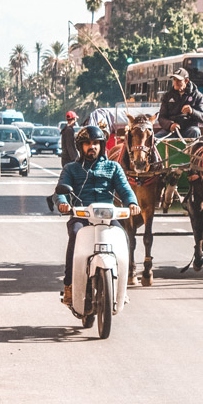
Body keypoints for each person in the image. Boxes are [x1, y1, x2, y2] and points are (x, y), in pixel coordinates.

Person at [54, 124, 139, 308]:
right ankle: (69, 285)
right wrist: (63, 203)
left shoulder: (113, 167)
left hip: (107, 218)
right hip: (81, 217)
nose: (92, 147)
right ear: (80, 147)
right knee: (75, 236)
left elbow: (125, 189)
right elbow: (60, 191)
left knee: (123, 238)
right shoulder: (71, 168)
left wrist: (132, 203)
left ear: (101, 145)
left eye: (95, 143)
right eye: (87, 143)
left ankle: (121, 288)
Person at [157, 68, 203, 138]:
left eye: (179, 80)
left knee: (195, 131)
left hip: (189, 129)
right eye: (174, 79)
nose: (175, 82)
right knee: (155, 139)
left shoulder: (197, 96)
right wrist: (170, 125)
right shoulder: (167, 96)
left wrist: (192, 111)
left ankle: (192, 149)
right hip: (171, 130)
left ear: (186, 81)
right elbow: (161, 117)